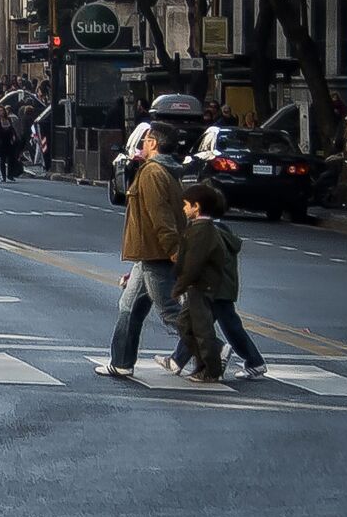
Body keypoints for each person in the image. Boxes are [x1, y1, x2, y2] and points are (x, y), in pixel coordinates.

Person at [96, 123, 185, 377]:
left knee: (168, 311)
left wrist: (174, 253)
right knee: (128, 305)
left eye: (146, 140)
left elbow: (161, 218)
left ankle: (211, 344)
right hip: (149, 254)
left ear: (154, 144)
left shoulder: (153, 172)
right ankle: (121, 361)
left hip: (156, 254)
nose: (142, 144)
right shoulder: (162, 171)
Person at [164, 184, 246, 383]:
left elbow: (194, 262)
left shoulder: (203, 231)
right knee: (185, 325)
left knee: (202, 330)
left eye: (186, 205)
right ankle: (204, 361)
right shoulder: (196, 228)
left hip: (202, 286)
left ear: (196, 207)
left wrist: (180, 284)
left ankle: (211, 369)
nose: (183, 208)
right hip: (196, 286)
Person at [0, 106, 24, 181]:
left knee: (11, 159)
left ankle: (10, 175)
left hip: (9, 141)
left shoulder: (8, 119)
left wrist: (14, 136)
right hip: (1, 142)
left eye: (2, 111)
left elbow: (12, 129)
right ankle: (3, 177)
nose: (2, 112)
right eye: (0, 111)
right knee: (3, 160)